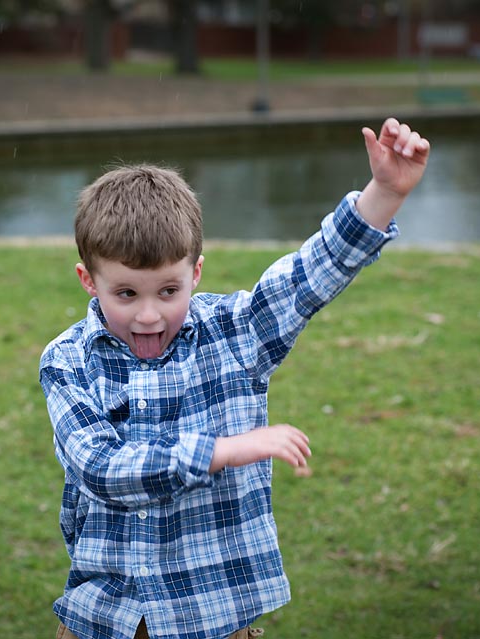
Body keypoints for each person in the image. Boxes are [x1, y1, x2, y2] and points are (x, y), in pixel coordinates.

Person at [39, 118, 430, 639]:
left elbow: (312, 273)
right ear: (90, 281)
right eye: (126, 294)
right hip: (106, 622)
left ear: (195, 273)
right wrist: (222, 450)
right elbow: (101, 471)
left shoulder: (236, 334)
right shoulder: (67, 360)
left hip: (217, 620)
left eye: (169, 291)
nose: (149, 315)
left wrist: (384, 192)